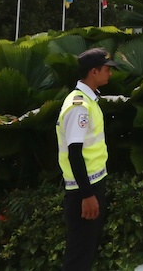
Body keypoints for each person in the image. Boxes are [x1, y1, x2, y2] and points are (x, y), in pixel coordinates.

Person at [57, 47, 117, 270]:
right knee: (79, 256)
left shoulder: (88, 100)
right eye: (107, 69)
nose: (110, 74)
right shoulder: (79, 106)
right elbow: (74, 152)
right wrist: (87, 194)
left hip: (92, 185)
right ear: (94, 72)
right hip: (83, 190)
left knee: (87, 249)